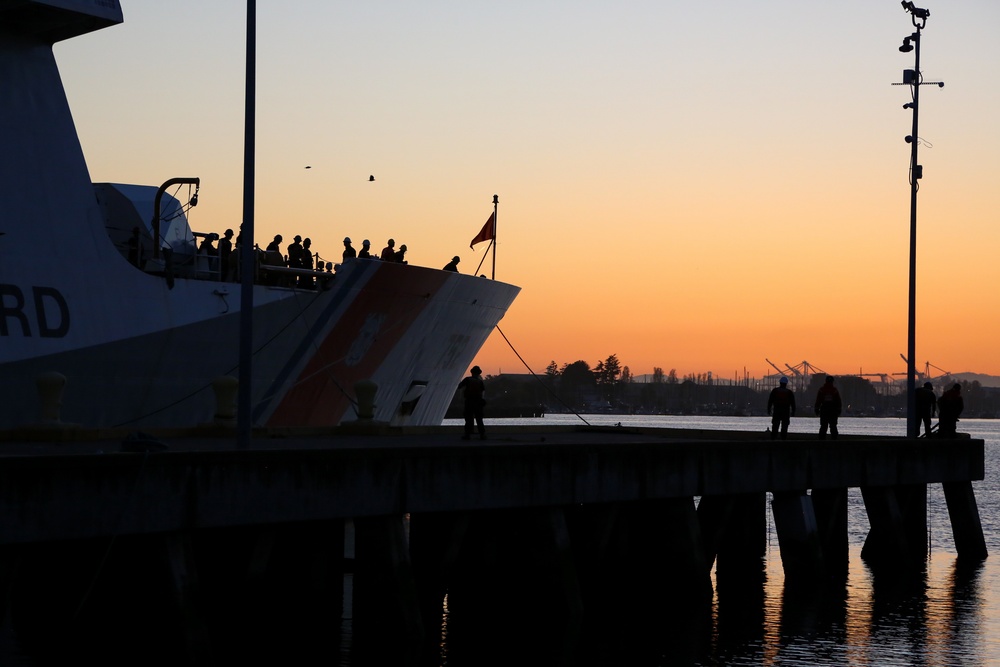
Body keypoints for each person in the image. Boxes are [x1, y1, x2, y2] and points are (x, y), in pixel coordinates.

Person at [458, 365, 486, 440]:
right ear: (479, 373)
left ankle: (467, 435)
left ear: (471, 372)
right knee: (479, 419)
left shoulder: (467, 379)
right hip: (478, 402)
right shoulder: (480, 382)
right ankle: (482, 435)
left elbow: (459, 386)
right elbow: (483, 392)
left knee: (468, 419)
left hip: (469, 401)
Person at [814, 375, 842, 440]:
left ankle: (822, 440)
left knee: (823, 426)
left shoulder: (822, 390)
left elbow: (818, 400)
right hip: (833, 411)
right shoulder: (834, 390)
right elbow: (838, 401)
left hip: (824, 410)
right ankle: (834, 440)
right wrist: (839, 410)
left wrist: (816, 409)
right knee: (833, 426)